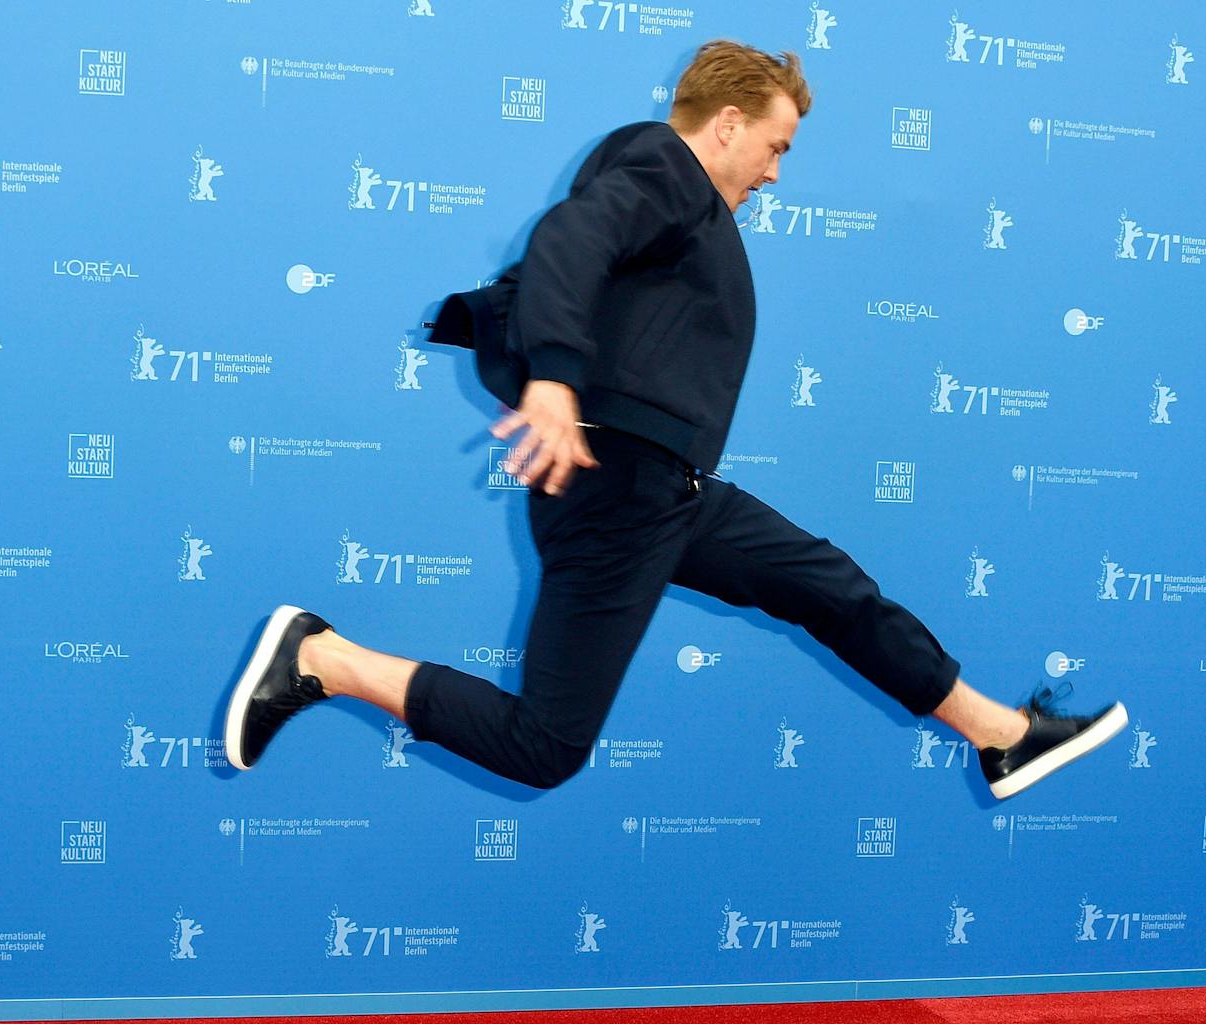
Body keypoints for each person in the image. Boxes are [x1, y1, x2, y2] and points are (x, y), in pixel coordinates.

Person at [225, 40, 1127, 799]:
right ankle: (324, 656)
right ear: (727, 124)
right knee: (546, 747)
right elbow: (572, 240)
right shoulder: (663, 165)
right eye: (774, 145)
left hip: (669, 490)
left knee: (829, 587)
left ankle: (1003, 735)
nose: (777, 171)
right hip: (614, 482)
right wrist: (555, 378)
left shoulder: (692, 211)